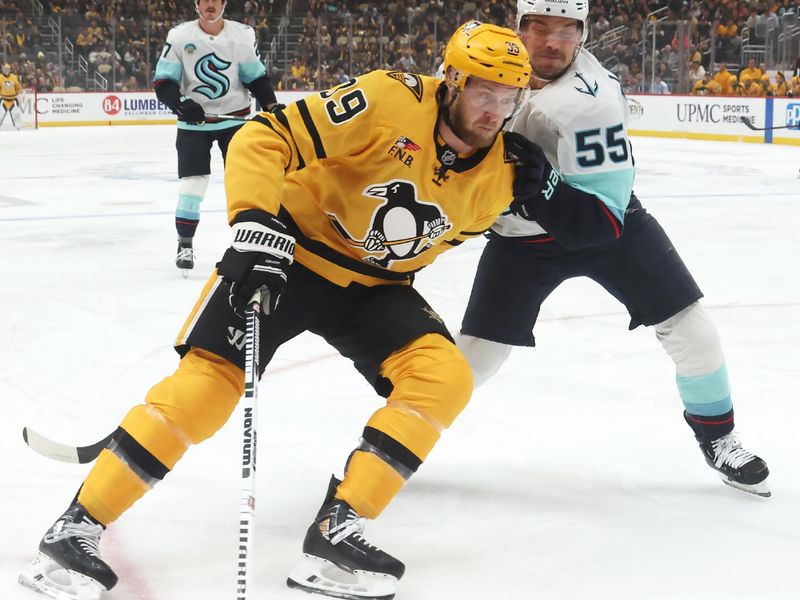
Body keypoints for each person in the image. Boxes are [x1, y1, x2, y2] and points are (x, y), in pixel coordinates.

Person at [20, 21, 537, 600]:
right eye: (483, 93)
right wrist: (254, 224)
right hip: (286, 254)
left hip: (374, 286)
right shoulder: (388, 98)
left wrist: (545, 194)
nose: (494, 111)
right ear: (452, 82)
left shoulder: (503, 175)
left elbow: (438, 240)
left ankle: (338, 528)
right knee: (205, 389)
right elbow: (264, 136)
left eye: (508, 98)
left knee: (444, 377)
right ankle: (74, 529)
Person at [456, 0, 770, 499]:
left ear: (582, 35)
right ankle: (397, 438)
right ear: (519, 29)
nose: (552, 42)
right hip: (520, 236)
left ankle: (719, 436)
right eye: (540, 28)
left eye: (566, 30)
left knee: (693, 332)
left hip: (605, 220)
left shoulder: (591, 99)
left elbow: (598, 221)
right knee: (473, 360)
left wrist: (544, 187)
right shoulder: (482, 68)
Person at [153, 0, 278, 275]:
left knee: (247, 185)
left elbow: (256, 78)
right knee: (193, 186)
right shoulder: (180, 36)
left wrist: (271, 106)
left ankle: (251, 246)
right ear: (197, 4)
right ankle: (185, 243)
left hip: (234, 122)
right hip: (193, 124)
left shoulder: (242, 35)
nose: (210, 4)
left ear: (224, 3)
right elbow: (163, 83)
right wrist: (181, 103)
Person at [0, 63, 23, 130]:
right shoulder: (0, 77)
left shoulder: (14, 77)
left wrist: (19, 94)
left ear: (10, 70)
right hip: (3, 99)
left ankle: (18, 127)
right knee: (0, 114)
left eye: (8, 69)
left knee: (16, 115)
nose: (6, 70)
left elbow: (18, 88)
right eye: (5, 69)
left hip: (13, 99)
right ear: (2, 69)